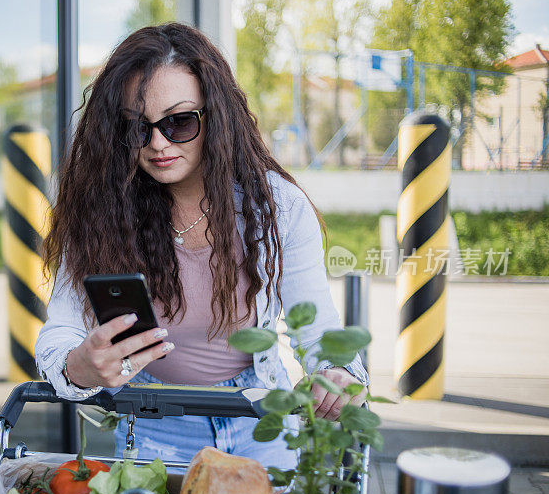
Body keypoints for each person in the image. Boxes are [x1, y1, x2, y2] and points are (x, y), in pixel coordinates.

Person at [35, 23, 368, 469]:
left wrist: (338, 375)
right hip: (152, 419)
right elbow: (59, 331)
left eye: (179, 122)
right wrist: (79, 367)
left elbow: (318, 329)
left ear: (217, 116)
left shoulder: (276, 208)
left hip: (257, 415)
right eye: (137, 128)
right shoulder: (101, 215)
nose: (157, 143)